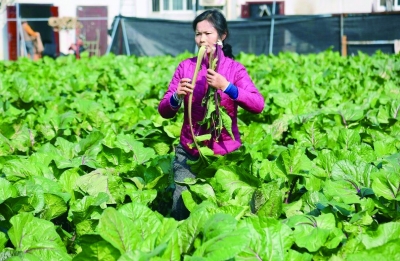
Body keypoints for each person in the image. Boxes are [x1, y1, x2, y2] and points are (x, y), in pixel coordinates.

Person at [158, 9, 265, 220]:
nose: (202, 39)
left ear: (222, 36)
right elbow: (164, 110)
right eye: (198, 34)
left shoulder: (234, 69)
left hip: (224, 153)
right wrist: (176, 97)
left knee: (226, 211)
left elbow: (257, 104)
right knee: (181, 207)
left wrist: (227, 87)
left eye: (208, 33)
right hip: (190, 151)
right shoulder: (185, 67)